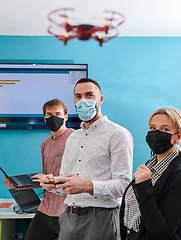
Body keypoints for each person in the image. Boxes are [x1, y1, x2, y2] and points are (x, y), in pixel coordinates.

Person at [36, 78, 134, 240]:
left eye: (89, 95)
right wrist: (52, 183)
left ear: (100, 99)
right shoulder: (73, 137)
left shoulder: (118, 134)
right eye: (78, 96)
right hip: (68, 218)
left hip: (100, 218)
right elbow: (66, 183)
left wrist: (87, 186)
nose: (83, 101)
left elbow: (124, 185)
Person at [120, 107, 181, 240]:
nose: (156, 134)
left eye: (165, 129)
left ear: (178, 137)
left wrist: (143, 186)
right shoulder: (149, 166)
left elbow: (162, 232)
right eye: (152, 128)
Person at [4, 98, 75, 240]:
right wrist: (20, 186)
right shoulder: (45, 144)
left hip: (67, 212)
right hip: (45, 211)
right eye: (49, 114)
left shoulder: (75, 139)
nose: (53, 117)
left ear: (66, 117)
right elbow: (46, 179)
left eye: (58, 114)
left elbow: (76, 177)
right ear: (44, 118)